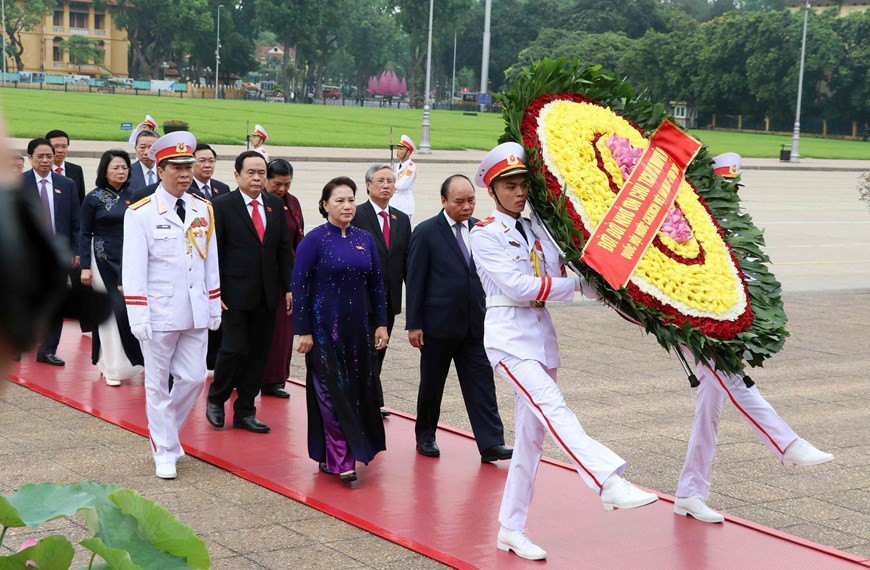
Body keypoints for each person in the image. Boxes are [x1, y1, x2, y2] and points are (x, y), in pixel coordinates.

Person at [469, 142, 657, 561]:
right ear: (493, 190)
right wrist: (573, 287)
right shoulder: (484, 234)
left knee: (530, 442)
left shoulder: (539, 229)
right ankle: (607, 481)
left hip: (539, 338)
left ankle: (511, 528)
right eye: (510, 185)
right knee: (555, 409)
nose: (519, 192)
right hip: (507, 339)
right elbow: (519, 287)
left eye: (523, 185)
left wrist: (618, 291)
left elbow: (566, 276)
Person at [673, 152, 834, 524]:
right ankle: (786, 444)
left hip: (718, 324)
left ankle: (690, 492)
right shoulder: (690, 221)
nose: (730, 192)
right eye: (723, 186)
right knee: (731, 378)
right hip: (688, 321)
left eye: (733, 186)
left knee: (708, 413)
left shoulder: (732, 223)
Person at [122, 131, 221, 479]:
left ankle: (164, 434)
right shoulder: (141, 213)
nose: (185, 174)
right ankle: (165, 449)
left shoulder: (202, 208)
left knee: (194, 378)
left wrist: (213, 303)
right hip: (159, 311)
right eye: (177, 167)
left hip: (195, 309)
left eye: (189, 167)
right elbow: (133, 268)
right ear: (160, 169)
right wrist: (138, 314)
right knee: (157, 384)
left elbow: (210, 261)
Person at [406, 174, 511, 462]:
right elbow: (415, 280)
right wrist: (414, 324)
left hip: (475, 323)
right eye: (459, 201)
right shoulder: (426, 232)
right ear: (443, 201)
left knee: (482, 384)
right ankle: (425, 435)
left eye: (471, 200)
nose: (466, 207)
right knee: (431, 385)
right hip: (437, 325)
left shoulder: (481, 229)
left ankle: (491, 443)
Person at [292, 177, 389, 483]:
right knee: (330, 394)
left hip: (357, 330)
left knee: (357, 391)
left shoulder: (365, 238)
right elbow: (300, 285)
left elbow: (377, 284)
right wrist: (303, 330)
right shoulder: (314, 239)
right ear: (325, 205)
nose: (347, 206)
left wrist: (382, 324)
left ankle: (343, 451)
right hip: (323, 331)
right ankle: (341, 459)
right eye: (339, 201)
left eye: (351, 200)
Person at [206, 151, 294, 434]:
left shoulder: (273, 205)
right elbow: (213, 253)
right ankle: (216, 399)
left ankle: (245, 409)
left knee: (258, 353)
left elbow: (282, 250)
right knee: (233, 349)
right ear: (237, 175)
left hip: (268, 294)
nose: (257, 178)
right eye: (251, 173)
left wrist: (289, 287)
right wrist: (214, 291)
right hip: (233, 293)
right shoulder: (221, 205)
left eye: (261, 173)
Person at [351, 164, 411, 418]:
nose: (386, 185)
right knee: (365, 350)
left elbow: (406, 261)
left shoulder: (401, 219)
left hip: (389, 298)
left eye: (390, 180)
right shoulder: (356, 214)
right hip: (361, 298)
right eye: (380, 181)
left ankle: (369, 398)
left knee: (380, 348)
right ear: (367, 185)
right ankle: (367, 401)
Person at [80, 149, 144, 386]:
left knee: (129, 311)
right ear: (104, 170)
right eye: (116, 167)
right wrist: (85, 267)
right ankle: (112, 367)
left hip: (131, 257)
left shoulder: (137, 195)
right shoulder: (94, 197)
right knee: (109, 311)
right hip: (102, 258)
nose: (121, 171)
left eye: (125, 167)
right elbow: (85, 233)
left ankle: (129, 362)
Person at [21, 138, 80, 367]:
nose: (45, 160)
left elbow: (76, 222)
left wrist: (76, 251)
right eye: (40, 156)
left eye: (49, 156)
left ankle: (47, 350)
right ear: (30, 158)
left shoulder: (66, 185)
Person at [261, 159, 304, 398]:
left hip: (289, 273)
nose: (282, 189)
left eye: (287, 184)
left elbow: (299, 234)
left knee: (283, 331)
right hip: (265, 272)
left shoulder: (292, 202)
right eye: (277, 184)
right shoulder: (262, 204)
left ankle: (275, 378)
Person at [46, 129, 91, 333]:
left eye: (64, 146)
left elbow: (79, 207)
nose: (60, 150)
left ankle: (88, 328)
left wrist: (80, 244)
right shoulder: (39, 171)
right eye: (56, 146)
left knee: (80, 284)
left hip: (71, 241)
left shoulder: (75, 170)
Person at [390, 135, 417, 222]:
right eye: (398, 149)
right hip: (394, 202)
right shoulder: (398, 165)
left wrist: (391, 182)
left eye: (401, 149)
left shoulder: (410, 167)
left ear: (408, 152)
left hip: (404, 204)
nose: (398, 151)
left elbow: (402, 185)